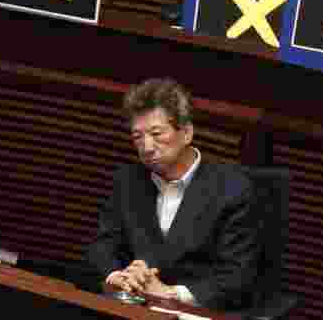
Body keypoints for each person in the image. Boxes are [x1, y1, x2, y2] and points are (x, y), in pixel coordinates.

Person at [86, 78, 261, 311]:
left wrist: (170, 294)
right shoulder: (127, 180)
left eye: (156, 133)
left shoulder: (234, 188)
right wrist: (117, 275)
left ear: (186, 132)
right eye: (138, 137)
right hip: (132, 307)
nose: (146, 147)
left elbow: (237, 276)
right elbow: (103, 245)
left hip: (197, 312)